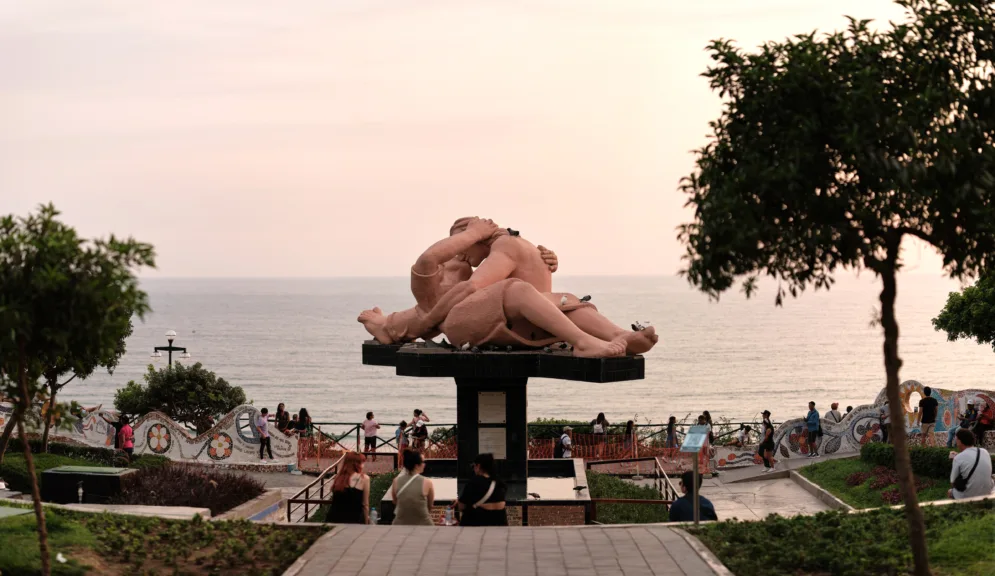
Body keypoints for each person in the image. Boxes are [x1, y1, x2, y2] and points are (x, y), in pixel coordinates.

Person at [457, 453, 508, 526]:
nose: (473, 468)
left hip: (478, 524)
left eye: (473, 466)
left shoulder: (474, 483)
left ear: (478, 466)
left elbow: (461, 506)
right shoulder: (499, 483)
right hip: (500, 525)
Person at [948, 428, 994, 499]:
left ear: (960, 441)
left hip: (968, 496)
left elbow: (952, 482)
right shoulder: (984, 451)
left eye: (956, 440)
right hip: (988, 492)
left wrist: (955, 459)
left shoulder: (958, 458)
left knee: (950, 492)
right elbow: (970, 456)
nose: (956, 442)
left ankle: (960, 509)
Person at [391, 450, 435, 525]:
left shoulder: (396, 481)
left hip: (400, 524)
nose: (424, 464)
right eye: (423, 462)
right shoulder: (427, 482)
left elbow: (395, 502)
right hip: (423, 523)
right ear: (417, 465)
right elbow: (430, 505)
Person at [326, 452, 371, 524]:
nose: (363, 465)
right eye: (362, 462)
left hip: (333, 519)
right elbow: (365, 505)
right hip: (353, 520)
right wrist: (366, 523)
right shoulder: (364, 478)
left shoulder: (339, 477)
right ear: (357, 464)